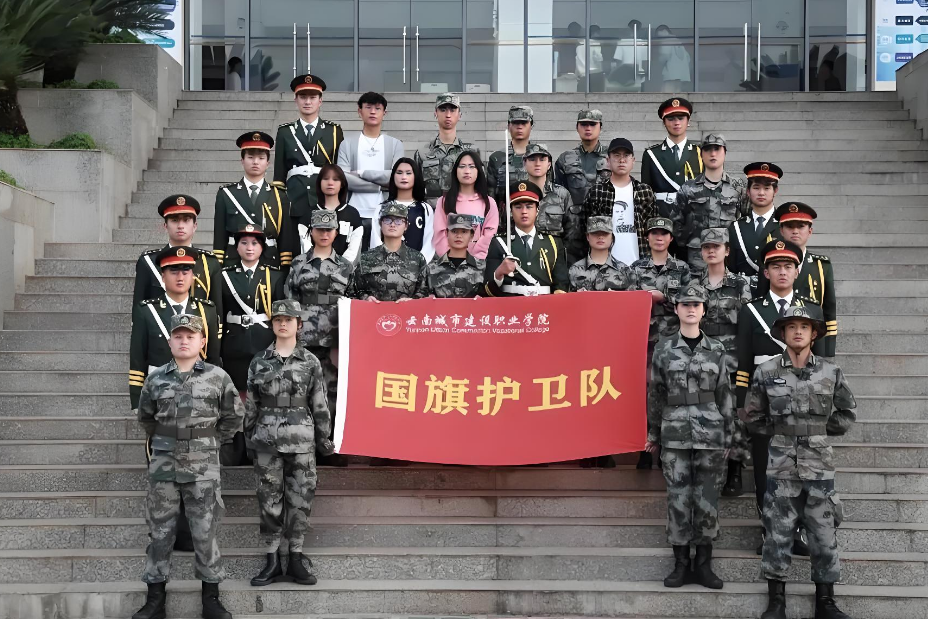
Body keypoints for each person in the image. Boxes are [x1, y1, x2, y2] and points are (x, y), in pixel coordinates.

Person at [743, 304, 856, 619]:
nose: (797, 332)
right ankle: (776, 602)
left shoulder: (830, 372)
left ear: (814, 333)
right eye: (791, 326)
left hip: (819, 466)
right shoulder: (766, 371)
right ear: (783, 333)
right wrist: (783, 432)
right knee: (777, 533)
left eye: (804, 327)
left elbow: (847, 412)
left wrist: (816, 432)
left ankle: (825, 602)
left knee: (823, 533)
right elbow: (753, 416)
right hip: (781, 465)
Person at [132, 314, 243, 619]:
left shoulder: (217, 377)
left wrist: (210, 440)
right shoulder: (156, 378)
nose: (184, 341)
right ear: (169, 341)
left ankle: (211, 598)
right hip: (164, 464)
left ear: (202, 341)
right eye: (178, 336)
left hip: (202, 465)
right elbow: (146, 418)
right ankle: (155, 599)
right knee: (160, 532)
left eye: (190, 336)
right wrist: (169, 439)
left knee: (205, 531)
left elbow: (234, 416)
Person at [645, 284, 733, 590]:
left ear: (704, 310)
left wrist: (729, 436)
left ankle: (704, 564)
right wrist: (653, 433)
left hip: (711, 434)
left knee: (707, 498)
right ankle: (681, 563)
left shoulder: (717, 349)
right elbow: (655, 393)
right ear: (677, 309)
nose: (691, 308)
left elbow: (725, 393)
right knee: (678, 499)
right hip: (674, 434)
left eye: (696, 304)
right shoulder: (664, 348)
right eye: (685, 304)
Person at [245, 299, 335, 587]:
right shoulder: (259, 361)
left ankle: (296, 557)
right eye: (277, 319)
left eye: (288, 319)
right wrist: (249, 437)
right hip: (266, 441)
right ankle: (272, 560)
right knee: (268, 501)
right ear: (272, 324)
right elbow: (251, 404)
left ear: (299, 324)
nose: (282, 323)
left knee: (300, 500)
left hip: (302, 442)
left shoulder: (310, 361)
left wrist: (323, 438)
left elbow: (319, 403)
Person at [735, 239, 815, 557]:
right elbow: (743, 363)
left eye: (788, 266)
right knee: (764, 471)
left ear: (796, 272)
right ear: (766, 272)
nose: (782, 271)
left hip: (801, 403)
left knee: (798, 469)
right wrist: (742, 404)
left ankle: (795, 532)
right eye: (776, 266)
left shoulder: (811, 310)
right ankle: (770, 531)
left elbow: (820, 363)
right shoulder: (751, 311)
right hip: (764, 404)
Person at [286, 209, 354, 464]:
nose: (324, 234)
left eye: (329, 230)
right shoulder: (298, 263)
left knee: (332, 393)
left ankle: (329, 445)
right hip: (304, 340)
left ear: (336, 233)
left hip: (335, 340)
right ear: (311, 232)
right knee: (302, 394)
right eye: (319, 229)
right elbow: (290, 301)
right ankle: (304, 446)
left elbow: (354, 301)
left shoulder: (346, 266)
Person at [633, 217, 693, 469]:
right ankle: (645, 448)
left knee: (671, 392)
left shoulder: (682, 268)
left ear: (671, 238)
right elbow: (628, 302)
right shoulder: (635, 268)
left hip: (672, 342)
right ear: (647, 238)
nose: (659, 237)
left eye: (664, 233)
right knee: (646, 395)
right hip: (643, 342)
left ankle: (667, 445)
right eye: (655, 233)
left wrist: (663, 297)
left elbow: (689, 302)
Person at [130, 246, 221, 413]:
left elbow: (213, 357)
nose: (180, 277)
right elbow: (137, 357)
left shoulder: (206, 310)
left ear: (192, 276)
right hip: (158, 391)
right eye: (173, 272)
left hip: (197, 392)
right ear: (163, 277)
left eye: (186, 272)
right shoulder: (147, 311)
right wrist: (137, 400)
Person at [696, 228, 753, 496]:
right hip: (703, 357)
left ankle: (735, 471)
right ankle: (708, 470)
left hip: (732, 358)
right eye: (706, 247)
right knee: (705, 413)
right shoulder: (694, 284)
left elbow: (748, 324)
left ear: (727, 251)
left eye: (716, 247)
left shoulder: (740, 284)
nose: (711, 251)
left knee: (734, 416)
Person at [213, 132, 298, 272]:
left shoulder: (279, 195)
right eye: (250, 157)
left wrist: (284, 267)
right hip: (234, 261)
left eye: (261, 158)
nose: (255, 162)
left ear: (268, 163)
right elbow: (220, 235)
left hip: (269, 262)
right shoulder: (226, 194)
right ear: (242, 160)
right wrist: (219, 264)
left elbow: (285, 237)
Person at [219, 226, 285, 393]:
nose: (249, 248)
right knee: (236, 394)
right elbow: (219, 313)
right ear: (237, 247)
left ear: (262, 247)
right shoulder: (224, 276)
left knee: (265, 393)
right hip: (234, 343)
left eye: (255, 243)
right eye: (244, 243)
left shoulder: (274, 276)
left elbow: (280, 315)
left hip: (265, 343)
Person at [337, 91, 405, 250]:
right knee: (353, 257)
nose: (373, 112)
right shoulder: (347, 143)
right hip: (354, 211)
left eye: (377, 108)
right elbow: (343, 178)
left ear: (384, 113)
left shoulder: (395, 144)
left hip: (385, 213)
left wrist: (361, 173)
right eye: (368, 107)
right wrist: (380, 185)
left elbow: (396, 177)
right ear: (359, 111)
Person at [274, 74, 344, 222]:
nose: (307, 102)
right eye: (303, 97)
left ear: (320, 101)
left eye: (312, 97)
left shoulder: (333, 131)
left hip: (324, 199)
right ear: (295, 100)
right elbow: (279, 176)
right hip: (294, 200)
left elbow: (338, 170)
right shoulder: (285, 132)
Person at [133, 195, 222, 311]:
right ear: (165, 226)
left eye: (186, 220)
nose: (180, 226)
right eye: (174, 220)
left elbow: (216, 309)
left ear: (195, 226)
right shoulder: (149, 262)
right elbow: (139, 308)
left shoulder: (209, 262)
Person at [674, 134, 748, 271]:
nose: (713, 154)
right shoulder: (688, 188)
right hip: (697, 259)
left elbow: (747, 221)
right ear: (701, 154)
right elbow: (677, 224)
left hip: (729, 258)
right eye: (708, 149)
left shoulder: (738, 188)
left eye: (717, 149)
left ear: (725, 152)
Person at [484, 181, 569, 297]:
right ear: (511, 211)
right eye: (518, 207)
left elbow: (561, 284)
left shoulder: (553, 243)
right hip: (511, 305)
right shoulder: (499, 243)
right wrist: (498, 274)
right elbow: (487, 290)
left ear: (537, 210)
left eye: (529, 207)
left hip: (544, 305)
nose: (524, 211)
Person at [774, 202, 837, 357]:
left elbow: (829, 310)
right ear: (781, 230)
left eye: (801, 226)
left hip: (811, 341)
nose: (795, 231)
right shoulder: (770, 264)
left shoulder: (821, 266)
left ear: (810, 231)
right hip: (776, 340)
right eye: (789, 226)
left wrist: (827, 352)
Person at [583, 137, 657, 266]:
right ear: (608, 161)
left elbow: (653, 228)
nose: (622, 160)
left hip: (641, 264)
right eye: (616, 155)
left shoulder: (644, 191)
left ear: (633, 160)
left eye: (626, 155)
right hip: (605, 265)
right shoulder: (597, 191)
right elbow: (585, 226)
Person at [640, 98, 703, 227]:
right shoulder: (651, 154)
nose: (677, 123)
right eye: (671, 119)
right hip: (662, 217)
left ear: (688, 121)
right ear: (664, 122)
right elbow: (647, 194)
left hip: (692, 218)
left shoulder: (699, 152)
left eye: (681, 118)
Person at [350, 202, 431, 302]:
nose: (392, 225)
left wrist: (412, 301)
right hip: (373, 311)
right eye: (387, 220)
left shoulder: (417, 259)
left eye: (398, 221)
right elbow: (354, 289)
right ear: (380, 224)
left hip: (408, 311)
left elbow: (425, 291)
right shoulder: (366, 258)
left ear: (406, 226)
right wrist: (365, 298)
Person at [414, 93, 481, 207]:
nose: (448, 115)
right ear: (435, 113)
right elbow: (416, 190)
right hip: (431, 212)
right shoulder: (422, 153)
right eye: (443, 110)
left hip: (462, 212)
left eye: (453, 110)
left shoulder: (471, 153)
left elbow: (480, 188)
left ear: (459, 115)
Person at [727, 162, 784, 290]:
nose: (761, 193)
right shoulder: (736, 228)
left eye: (767, 188)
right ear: (748, 191)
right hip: (743, 295)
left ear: (775, 191)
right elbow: (732, 268)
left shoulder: (784, 226)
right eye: (756, 188)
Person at [433, 150, 499, 260]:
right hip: (450, 262)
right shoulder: (444, 201)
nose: (467, 171)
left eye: (472, 167)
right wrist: (451, 258)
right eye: (462, 166)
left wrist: (475, 259)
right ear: (455, 171)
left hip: (479, 263)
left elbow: (489, 235)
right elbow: (439, 234)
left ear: (478, 171)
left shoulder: (489, 203)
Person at [370, 158, 435, 262]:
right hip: (386, 266)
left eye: (408, 173)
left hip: (416, 266)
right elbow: (375, 239)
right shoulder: (382, 207)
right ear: (393, 176)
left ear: (415, 176)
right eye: (399, 173)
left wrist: (420, 264)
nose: (404, 177)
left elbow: (429, 241)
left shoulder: (425, 209)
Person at [297, 163, 363, 263]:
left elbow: (353, 249)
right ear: (319, 183)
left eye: (335, 179)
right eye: (326, 179)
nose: (330, 183)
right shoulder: (309, 214)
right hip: (313, 268)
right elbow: (305, 245)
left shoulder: (352, 214)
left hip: (344, 270)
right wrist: (318, 264)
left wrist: (340, 267)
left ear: (342, 184)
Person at [522, 143, 576, 260]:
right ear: (524, 163)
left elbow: (571, 231)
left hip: (554, 257)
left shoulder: (562, 194)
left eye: (542, 159)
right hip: (524, 257)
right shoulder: (516, 194)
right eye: (532, 159)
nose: (537, 163)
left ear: (549, 164)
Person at [568, 215, 639, 292]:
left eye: (605, 233)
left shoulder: (624, 271)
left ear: (612, 237)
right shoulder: (575, 270)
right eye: (595, 233)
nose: (600, 237)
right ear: (588, 236)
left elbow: (632, 298)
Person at [554, 109, 609, 207]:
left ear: (600, 127)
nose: (588, 128)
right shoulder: (566, 159)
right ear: (577, 127)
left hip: (606, 214)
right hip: (574, 215)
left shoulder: (612, 156)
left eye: (592, 124)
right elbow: (559, 194)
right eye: (583, 124)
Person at [487, 105, 536, 213]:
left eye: (524, 123)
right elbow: (490, 197)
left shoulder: (541, 157)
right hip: (505, 219)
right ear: (509, 126)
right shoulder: (497, 158)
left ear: (531, 125)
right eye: (515, 123)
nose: (519, 127)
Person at [428, 213, 485, 298]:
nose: (459, 236)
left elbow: (490, 295)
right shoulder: (431, 268)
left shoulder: (481, 267)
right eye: (454, 231)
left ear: (471, 235)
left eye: (464, 232)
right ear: (446, 233)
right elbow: (420, 295)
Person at [576, 25, 604, 91]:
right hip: (595, 75)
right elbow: (598, 59)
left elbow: (577, 61)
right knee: (598, 96)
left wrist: (577, 75)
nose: (599, 35)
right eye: (598, 33)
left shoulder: (580, 44)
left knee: (581, 95)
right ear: (595, 33)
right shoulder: (595, 43)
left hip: (582, 76)